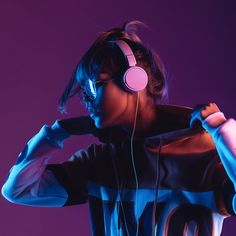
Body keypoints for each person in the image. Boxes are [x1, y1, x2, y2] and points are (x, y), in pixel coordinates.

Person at [1, 20, 236, 236]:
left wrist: (222, 131)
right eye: (84, 92)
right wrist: (55, 133)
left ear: (134, 80)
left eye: (95, 85)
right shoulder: (100, 161)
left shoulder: (205, 152)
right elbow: (18, 190)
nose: (87, 100)